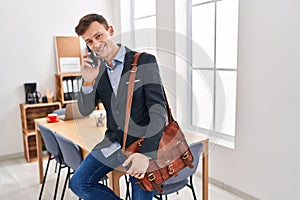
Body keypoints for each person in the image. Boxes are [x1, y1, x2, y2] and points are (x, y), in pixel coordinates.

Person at [70, 13, 167, 200]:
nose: (96, 45)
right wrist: (88, 82)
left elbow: (158, 110)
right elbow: (85, 110)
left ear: (110, 30)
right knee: (79, 183)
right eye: (89, 41)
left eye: (99, 36)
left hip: (142, 144)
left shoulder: (144, 61)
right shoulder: (97, 69)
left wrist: (146, 154)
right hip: (113, 142)